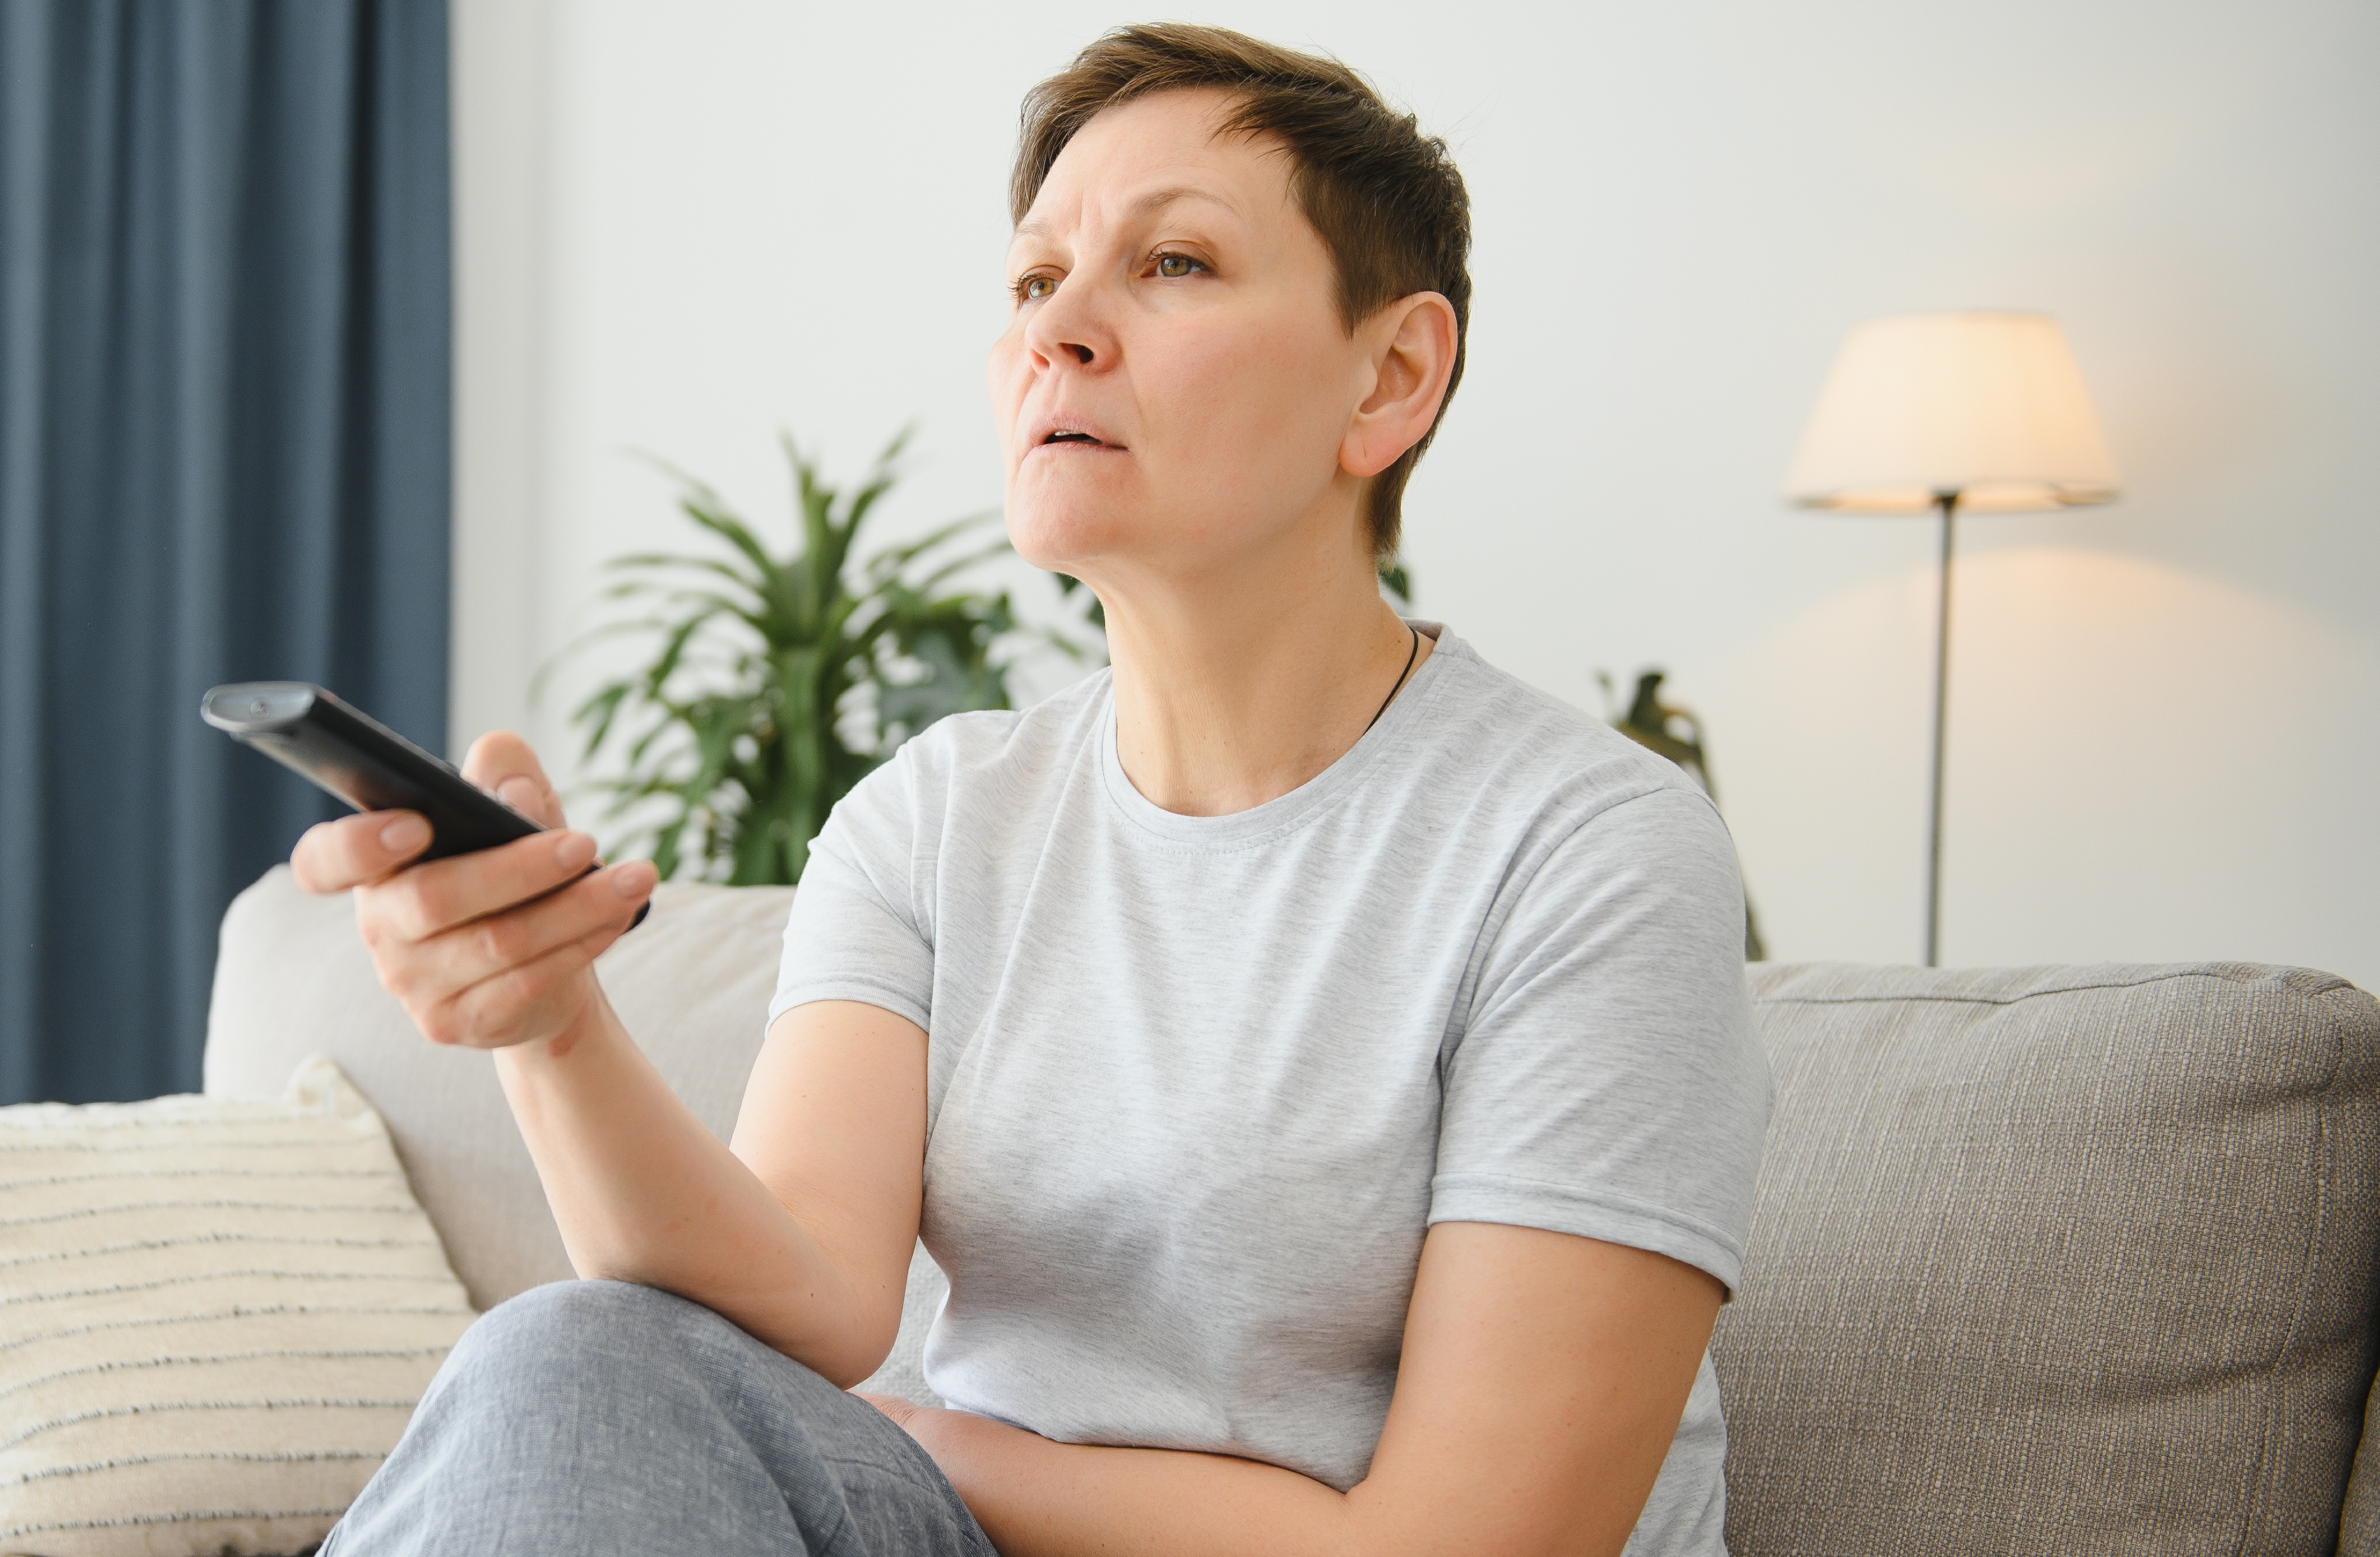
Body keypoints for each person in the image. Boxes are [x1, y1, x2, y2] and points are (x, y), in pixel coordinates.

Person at [293, 23, 1771, 1557]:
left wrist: (941, 1450)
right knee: (570, 1359)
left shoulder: (1593, 853)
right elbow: (804, 1290)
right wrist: (549, 1025)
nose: (1058, 328)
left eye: (1174, 263)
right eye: (1030, 279)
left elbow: (1471, 1546)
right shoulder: (937, 817)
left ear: (1391, 376)